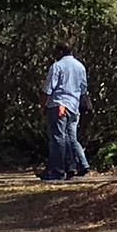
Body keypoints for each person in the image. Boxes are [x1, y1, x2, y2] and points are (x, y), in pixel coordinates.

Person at [41, 40, 91, 181]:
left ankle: (56, 171)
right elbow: (83, 89)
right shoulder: (80, 67)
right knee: (69, 137)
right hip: (73, 107)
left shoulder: (57, 66)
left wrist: (42, 104)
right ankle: (72, 166)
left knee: (58, 139)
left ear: (61, 52)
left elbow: (49, 88)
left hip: (58, 105)